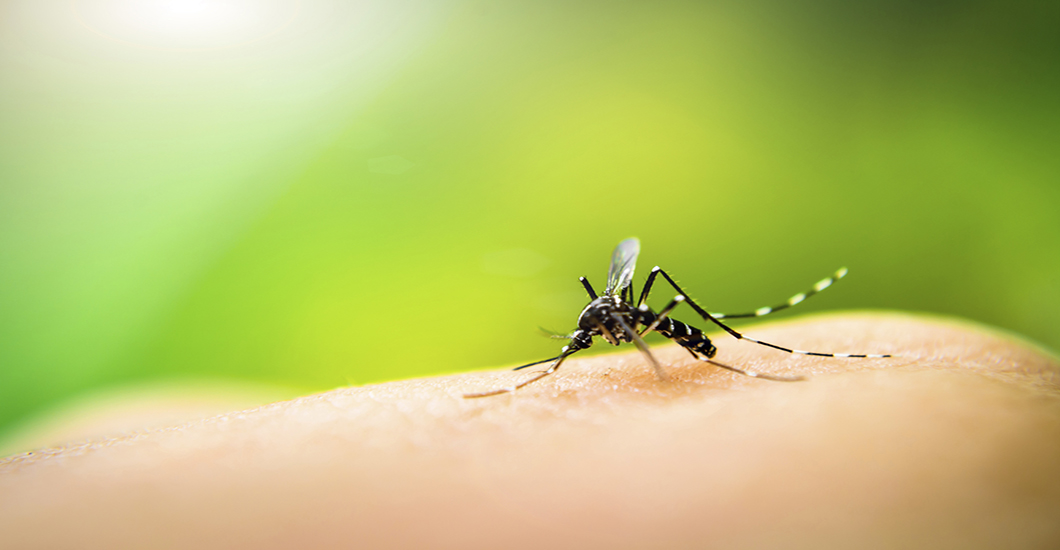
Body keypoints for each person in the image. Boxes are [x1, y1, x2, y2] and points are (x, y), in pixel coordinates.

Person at [1, 313, 1058, 549]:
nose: (594, 335)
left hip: (700, 344)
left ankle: (724, 346)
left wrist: (680, 352)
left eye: (593, 333)